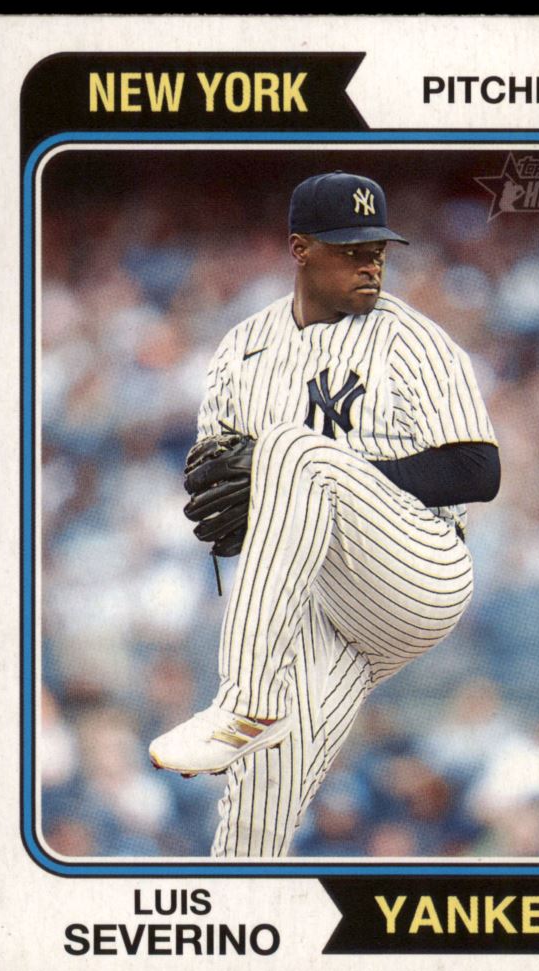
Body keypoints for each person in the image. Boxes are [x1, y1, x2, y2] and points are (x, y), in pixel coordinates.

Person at [150, 171, 500, 858]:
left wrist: (341, 473)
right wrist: (242, 501)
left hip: (415, 567)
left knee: (294, 450)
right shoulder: (242, 349)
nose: (370, 265)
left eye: (378, 250)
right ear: (300, 249)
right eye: (350, 250)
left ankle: (243, 702)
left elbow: (478, 470)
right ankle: (238, 909)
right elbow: (210, 484)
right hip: (321, 602)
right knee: (259, 801)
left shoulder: (413, 341)